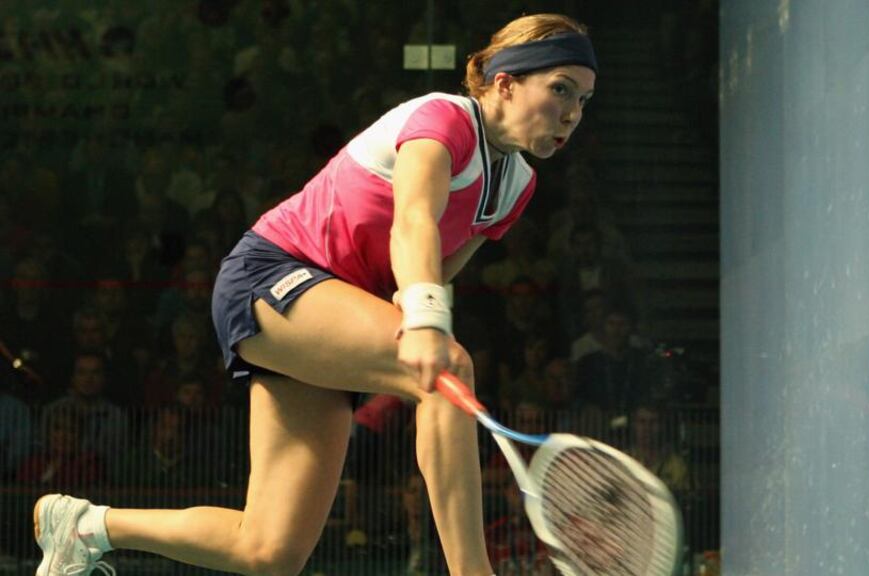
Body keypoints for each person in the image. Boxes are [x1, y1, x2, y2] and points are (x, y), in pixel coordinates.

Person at [34, 13, 597, 576]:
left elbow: (441, 262)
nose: (571, 113)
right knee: (449, 371)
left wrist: (415, 296)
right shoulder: (442, 119)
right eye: (560, 89)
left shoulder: (517, 186)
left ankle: (87, 526)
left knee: (269, 551)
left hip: (331, 310)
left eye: (583, 100)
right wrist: (427, 317)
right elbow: (414, 222)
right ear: (505, 83)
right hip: (273, 276)